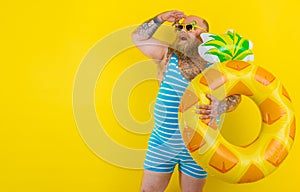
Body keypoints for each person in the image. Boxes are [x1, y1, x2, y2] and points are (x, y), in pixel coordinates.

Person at [132, 10, 241, 192]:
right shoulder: (168, 56)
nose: (182, 30)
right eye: (179, 27)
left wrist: (220, 106)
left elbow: (236, 98)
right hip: (163, 144)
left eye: (189, 27)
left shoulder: (219, 66)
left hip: (200, 146)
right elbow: (138, 38)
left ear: (204, 36)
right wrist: (160, 19)